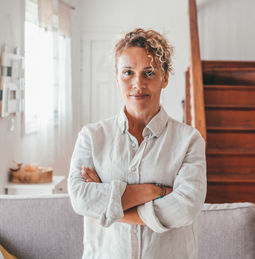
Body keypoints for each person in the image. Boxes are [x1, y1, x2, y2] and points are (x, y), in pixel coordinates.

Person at [68, 28, 207, 259]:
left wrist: (107, 204)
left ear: (165, 78)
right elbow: (81, 199)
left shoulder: (189, 140)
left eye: (149, 73)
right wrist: (157, 191)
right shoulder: (91, 137)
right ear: (117, 78)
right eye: (128, 72)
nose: (137, 83)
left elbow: (186, 208)